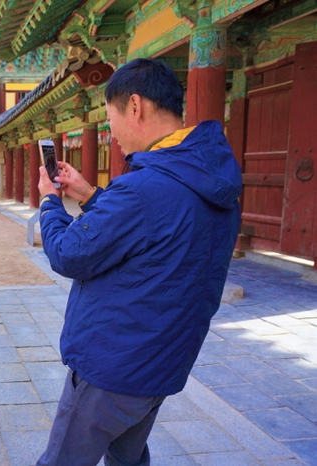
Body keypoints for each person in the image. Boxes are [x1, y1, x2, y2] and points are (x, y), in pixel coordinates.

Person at [35, 58, 242, 465]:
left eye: (109, 118)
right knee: (127, 459)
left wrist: (50, 201)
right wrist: (92, 194)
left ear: (134, 106)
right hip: (162, 363)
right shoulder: (210, 176)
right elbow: (159, 233)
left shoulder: (142, 189)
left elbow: (68, 253)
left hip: (112, 367)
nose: (110, 134)